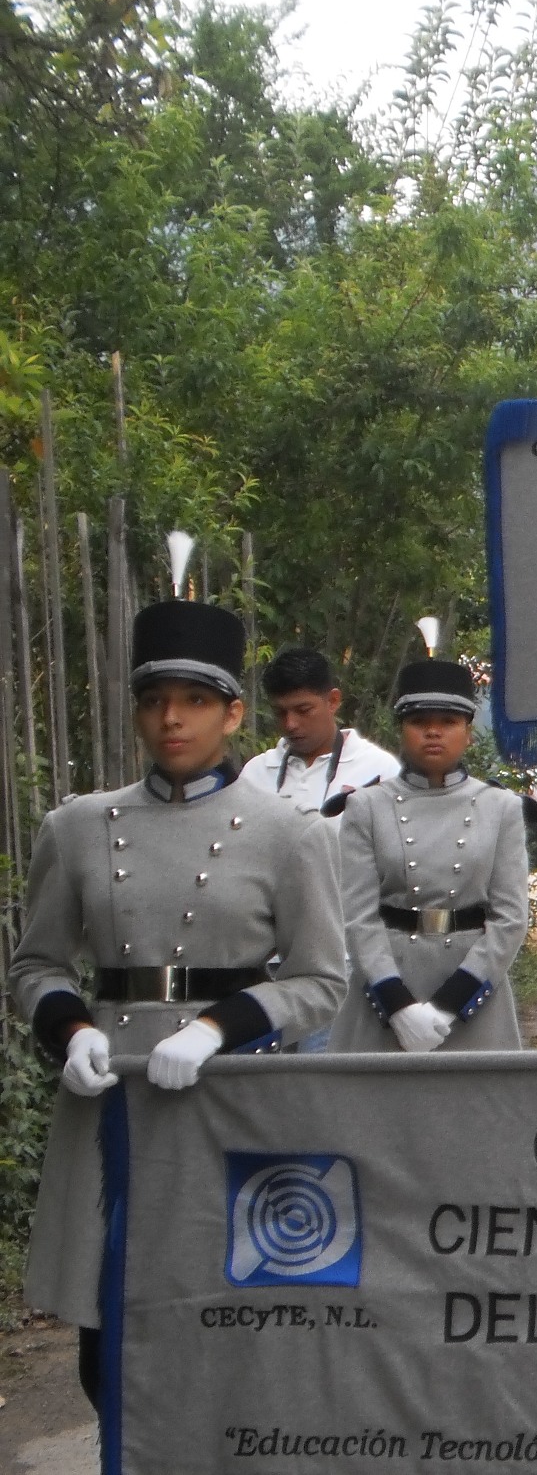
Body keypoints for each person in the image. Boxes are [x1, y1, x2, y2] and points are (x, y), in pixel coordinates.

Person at [8, 600, 347, 1405]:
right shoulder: (80, 826)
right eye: (155, 700)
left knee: (226, 1323)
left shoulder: (288, 832)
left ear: (232, 714)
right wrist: (71, 1027)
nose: (171, 719)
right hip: (109, 1089)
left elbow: (321, 980)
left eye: (195, 702)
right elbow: (36, 964)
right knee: (110, 1337)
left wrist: (215, 1030)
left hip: (229, 1089)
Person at [326, 660, 528, 1053]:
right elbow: (357, 916)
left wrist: (450, 1004)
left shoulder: (500, 806)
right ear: (401, 730)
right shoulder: (367, 806)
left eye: (448, 721)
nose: (433, 731)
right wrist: (398, 1005)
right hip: (386, 983)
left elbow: (510, 918)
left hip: (471, 981)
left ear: (469, 732)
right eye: (419, 721)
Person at [240, 646, 401, 813]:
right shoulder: (255, 773)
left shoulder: (379, 769)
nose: (290, 724)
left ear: (333, 701)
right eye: (280, 713)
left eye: (303, 710)